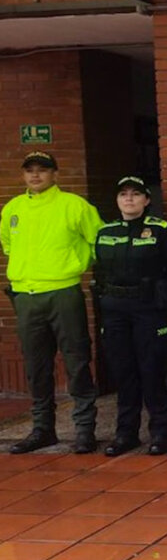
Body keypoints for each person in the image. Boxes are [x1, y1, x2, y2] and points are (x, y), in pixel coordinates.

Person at [1, 151, 104, 454]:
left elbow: (99, 241)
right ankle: (43, 429)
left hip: (63, 292)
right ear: (23, 175)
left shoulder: (74, 205)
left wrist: (77, 263)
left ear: (55, 175)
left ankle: (85, 429)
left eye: (42, 171)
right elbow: (8, 243)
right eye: (30, 171)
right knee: (36, 366)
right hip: (26, 295)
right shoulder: (13, 208)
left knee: (76, 360)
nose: (35, 176)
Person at [93, 176, 167, 457]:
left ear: (146, 200)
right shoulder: (105, 232)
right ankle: (126, 433)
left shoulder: (161, 231)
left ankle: (159, 432)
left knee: (152, 371)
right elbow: (99, 272)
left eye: (135, 194)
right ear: (117, 200)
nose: (129, 199)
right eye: (123, 195)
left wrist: (160, 297)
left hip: (148, 310)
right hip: (115, 311)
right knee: (123, 373)